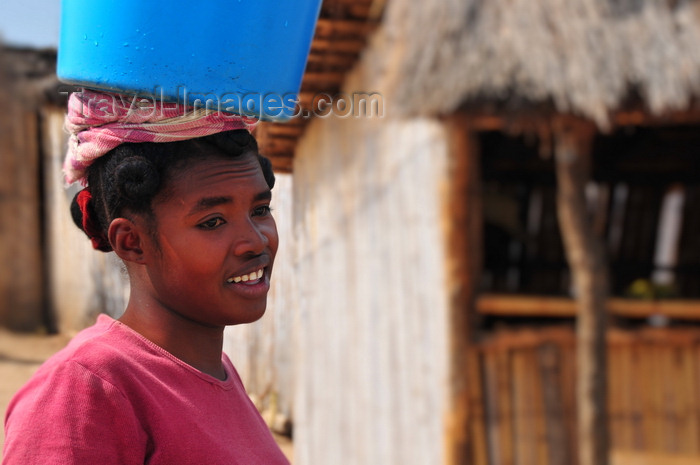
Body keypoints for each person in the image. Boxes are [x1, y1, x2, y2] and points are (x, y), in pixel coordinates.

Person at [2, 90, 289, 464]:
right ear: (132, 242)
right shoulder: (86, 389)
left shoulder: (215, 372)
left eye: (261, 209)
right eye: (213, 221)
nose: (255, 240)